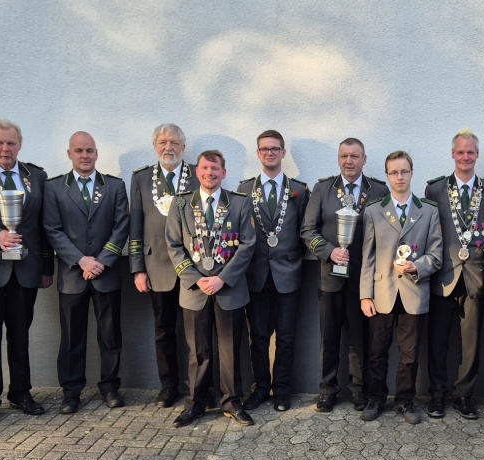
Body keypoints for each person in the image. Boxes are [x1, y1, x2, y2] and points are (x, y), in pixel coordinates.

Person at [0, 119, 53, 430]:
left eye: (11, 143)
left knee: (20, 335)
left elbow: (44, 226)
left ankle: (21, 393)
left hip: (25, 269)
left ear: (20, 145)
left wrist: (46, 267)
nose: (5, 148)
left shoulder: (36, 176)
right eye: (0, 142)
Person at [166, 150, 256, 427]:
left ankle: (232, 403)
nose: (209, 173)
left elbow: (247, 244)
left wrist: (222, 279)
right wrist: (196, 278)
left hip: (229, 289)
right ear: (197, 172)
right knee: (198, 352)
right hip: (195, 290)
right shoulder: (181, 203)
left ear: (224, 173)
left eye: (215, 169)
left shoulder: (239, 203)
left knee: (230, 351)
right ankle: (196, 403)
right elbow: (173, 245)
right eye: (205, 168)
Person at [43, 131, 129, 414]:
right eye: (79, 150)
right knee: (71, 338)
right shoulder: (54, 187)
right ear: (69, 154)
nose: (85, 155)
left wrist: (101, 261)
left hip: (106, 274)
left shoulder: (114, 186)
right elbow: (52, 230)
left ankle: (110, 387)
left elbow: (121, 226)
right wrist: (81, 260)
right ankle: (71, 393)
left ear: (96, 153)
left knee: (110, 335)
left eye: (89, 150)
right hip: (72, 275)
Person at [301, 138, 389, 413]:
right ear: (338, 159)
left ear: (364, 159)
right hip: (330, 276)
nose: (349, 161)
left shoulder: (379, 189)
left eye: (354, 156)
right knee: (329, 339)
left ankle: (358, 390)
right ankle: (328, 390)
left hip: (363, 278)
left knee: (359, 339)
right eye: (344, 156)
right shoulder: (323, 189)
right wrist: (329, 252)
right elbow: (307, 230)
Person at [359, 151, 443, 424]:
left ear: (411, 173)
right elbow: (368, 257)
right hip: (381, 292)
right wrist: (365, 295)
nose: (399, 177)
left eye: (404, 171)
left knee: (409, 354)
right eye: (394, 172)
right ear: (387, 176)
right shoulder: (374, 210)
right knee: (377, 352)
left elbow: (436, 254)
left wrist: (416, 266)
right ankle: (376, 397)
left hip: (414, 292)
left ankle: (405, 400)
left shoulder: (428, 210)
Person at [424, 129, 484, 420]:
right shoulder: (434, 189)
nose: (465, 156)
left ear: (477, 155)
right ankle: (437, 394)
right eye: (460, 151)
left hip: (475, 275)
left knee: (471, 343)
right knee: (438, 341)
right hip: (443, 275)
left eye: (470, 152)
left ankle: (464, 396)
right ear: (452, 154)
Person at [237, 130, 309, 412]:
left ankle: (282, 390)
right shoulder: (244, 190)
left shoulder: (299, 190)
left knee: (287, 338)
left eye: (275, 149)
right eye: (264, 149)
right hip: (255, 275)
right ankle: (260, 389)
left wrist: (291, 257)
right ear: (258, 153)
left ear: (283, 153)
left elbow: (305, 230)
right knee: (258, 337)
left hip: (288, 273)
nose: (270, 153)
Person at [129, 123, 199, 408]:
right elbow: (135, 224)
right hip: (155, 267)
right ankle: (169, 386)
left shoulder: (198, 174)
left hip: (193, 267)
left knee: (196, 332)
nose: (168, 147)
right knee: (163, 330)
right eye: (163, 142)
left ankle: (198, 386)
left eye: (174, 142)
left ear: (183, 147)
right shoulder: (141, 178)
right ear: (155, 146)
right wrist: (137, 268)